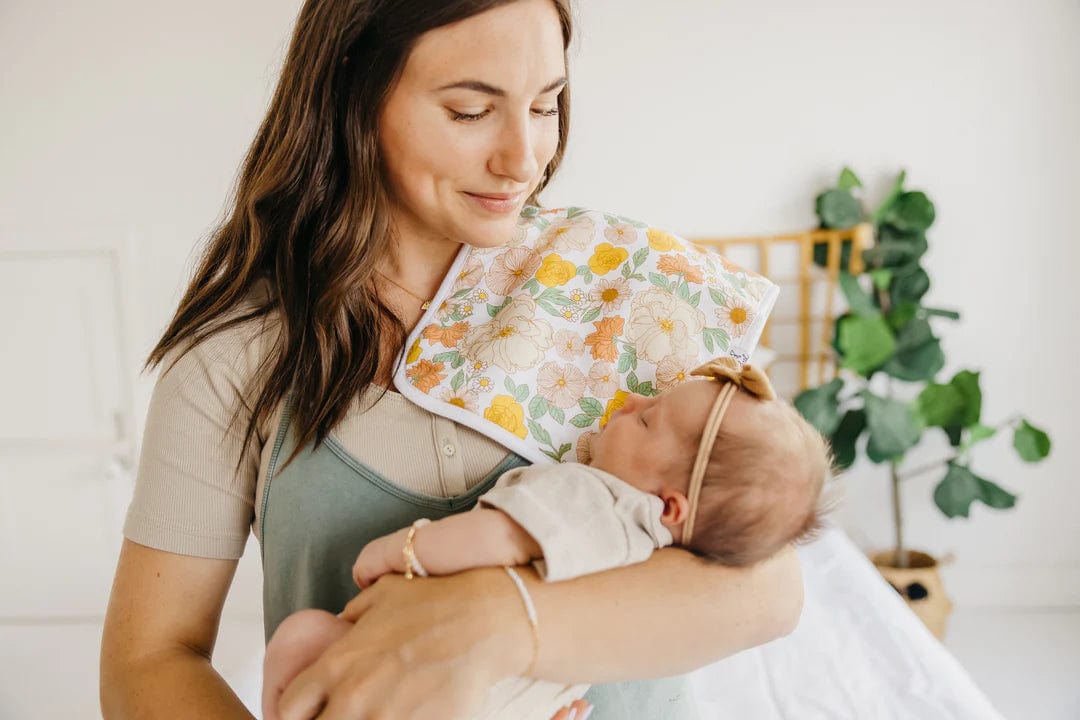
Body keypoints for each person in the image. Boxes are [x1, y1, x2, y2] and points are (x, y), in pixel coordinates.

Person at [99, 2, 805, 719]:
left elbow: (772, 591)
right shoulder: (233, 362)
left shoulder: (633, 287)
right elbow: (150, 659)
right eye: (470, 111)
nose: (523, 159)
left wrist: (495, 621)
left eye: (546, 105)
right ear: (354, 89)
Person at [262, 358, 830, 720]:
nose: (631, 402)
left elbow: (499, 537)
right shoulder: (650, 555)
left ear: (670, 505)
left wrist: (398, 550)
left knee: (303, 636)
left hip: (455, 688)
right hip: (522, 699)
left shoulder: (598, 500)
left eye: (648, 421)